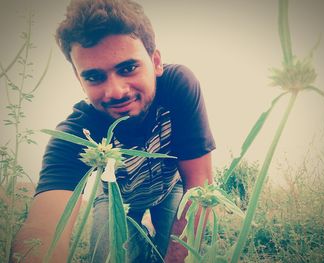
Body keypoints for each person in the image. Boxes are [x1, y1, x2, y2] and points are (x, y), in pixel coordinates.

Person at [12, 0, 215, 262]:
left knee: (179, 250)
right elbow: (42, 230)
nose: (116, 91)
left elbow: (199, 184)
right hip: (116, 198)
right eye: (95, 77)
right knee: (104, 257)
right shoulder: (75, 133)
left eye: (128, 68)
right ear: (79, 80)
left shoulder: (178, 86)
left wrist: (175, 256)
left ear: (155, 62)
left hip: (169, 189)